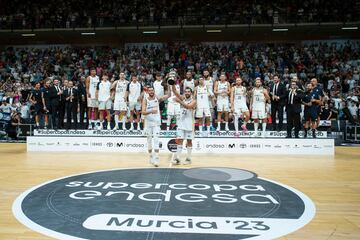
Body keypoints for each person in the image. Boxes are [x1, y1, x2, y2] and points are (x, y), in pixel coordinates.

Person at [141, 86, 169, 167]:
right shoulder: (145, 99)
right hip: (148, 123)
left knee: (156, 139)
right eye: (149, 91)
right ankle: (151, 157)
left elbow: (168, 95)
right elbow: (143, 112)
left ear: (154, 91)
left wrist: (169, 84)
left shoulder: (158, 99)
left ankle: (156, 158)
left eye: (152, 90)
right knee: (149, 140)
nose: (151, 92)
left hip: (156, 123)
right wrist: (151, 111)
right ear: (148, 92)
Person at [171, 84, 196, 165]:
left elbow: (188, 107)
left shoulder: (194, 101)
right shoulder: (182, 98)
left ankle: (188, 158)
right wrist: (172, 83)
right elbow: (174, 91)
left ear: (191, 93)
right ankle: (178, 158)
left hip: (189, 124)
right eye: (186, 92)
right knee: (180, 140)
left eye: (189, 92)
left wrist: (179, 101)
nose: (187, 93)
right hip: (181, 123)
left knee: (189, 141)